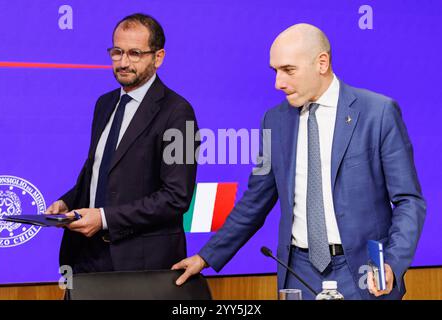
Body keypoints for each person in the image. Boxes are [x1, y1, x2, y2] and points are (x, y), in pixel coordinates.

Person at [172, 23, 426, 300]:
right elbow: (255, 200)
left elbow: (409, 201)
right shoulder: (275, 121)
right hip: (298, 273)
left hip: (364, 274)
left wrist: (391, 262)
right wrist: (206, 257)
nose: (278, 83)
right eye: (275, 71)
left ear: (322, 63)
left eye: (288, 70)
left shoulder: (378, 113)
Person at [46, 13, 199, 274]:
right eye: (117, 52)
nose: (123, 62)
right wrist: (67, 202)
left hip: (140, 263)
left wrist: (104, 218)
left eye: (135, 53)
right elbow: (99, 171)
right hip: (86, 255)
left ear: (158, 57)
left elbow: (176, 197)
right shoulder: (104, 104)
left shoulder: (179, 112)